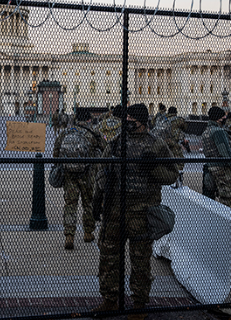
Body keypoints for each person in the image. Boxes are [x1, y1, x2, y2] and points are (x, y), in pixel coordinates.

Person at [92, 103, 178, 319]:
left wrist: (153, 167)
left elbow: (172, 175)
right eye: (126, 119)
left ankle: (139, 304)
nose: (128, 123)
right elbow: (102, 170)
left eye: (132, 120)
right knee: (109, 256)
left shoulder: (156, 145)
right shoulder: (116, 142)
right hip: (115, 209)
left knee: (140, 260)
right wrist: (97, 198)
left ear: (142, 122)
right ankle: (110, 299)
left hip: (142, 211)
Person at [53, 108, 107, 249]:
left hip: (69, 174)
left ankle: (69, 235)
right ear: (89, 119)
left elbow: (56, 151)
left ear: (76, 119)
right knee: (87, 204)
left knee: (70, 204)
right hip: (87, 173)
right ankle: (88, 232)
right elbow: (104, 148)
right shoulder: (93, 133)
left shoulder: (66, 132)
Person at [201, 107, 231, 209]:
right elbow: (225, 152)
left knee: (208, 199)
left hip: (210, 167)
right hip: (222, 169)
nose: (225, 117)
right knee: (228, 199)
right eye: (224, 116)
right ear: (219, 118)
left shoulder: (206, 131)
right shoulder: (218, 131)